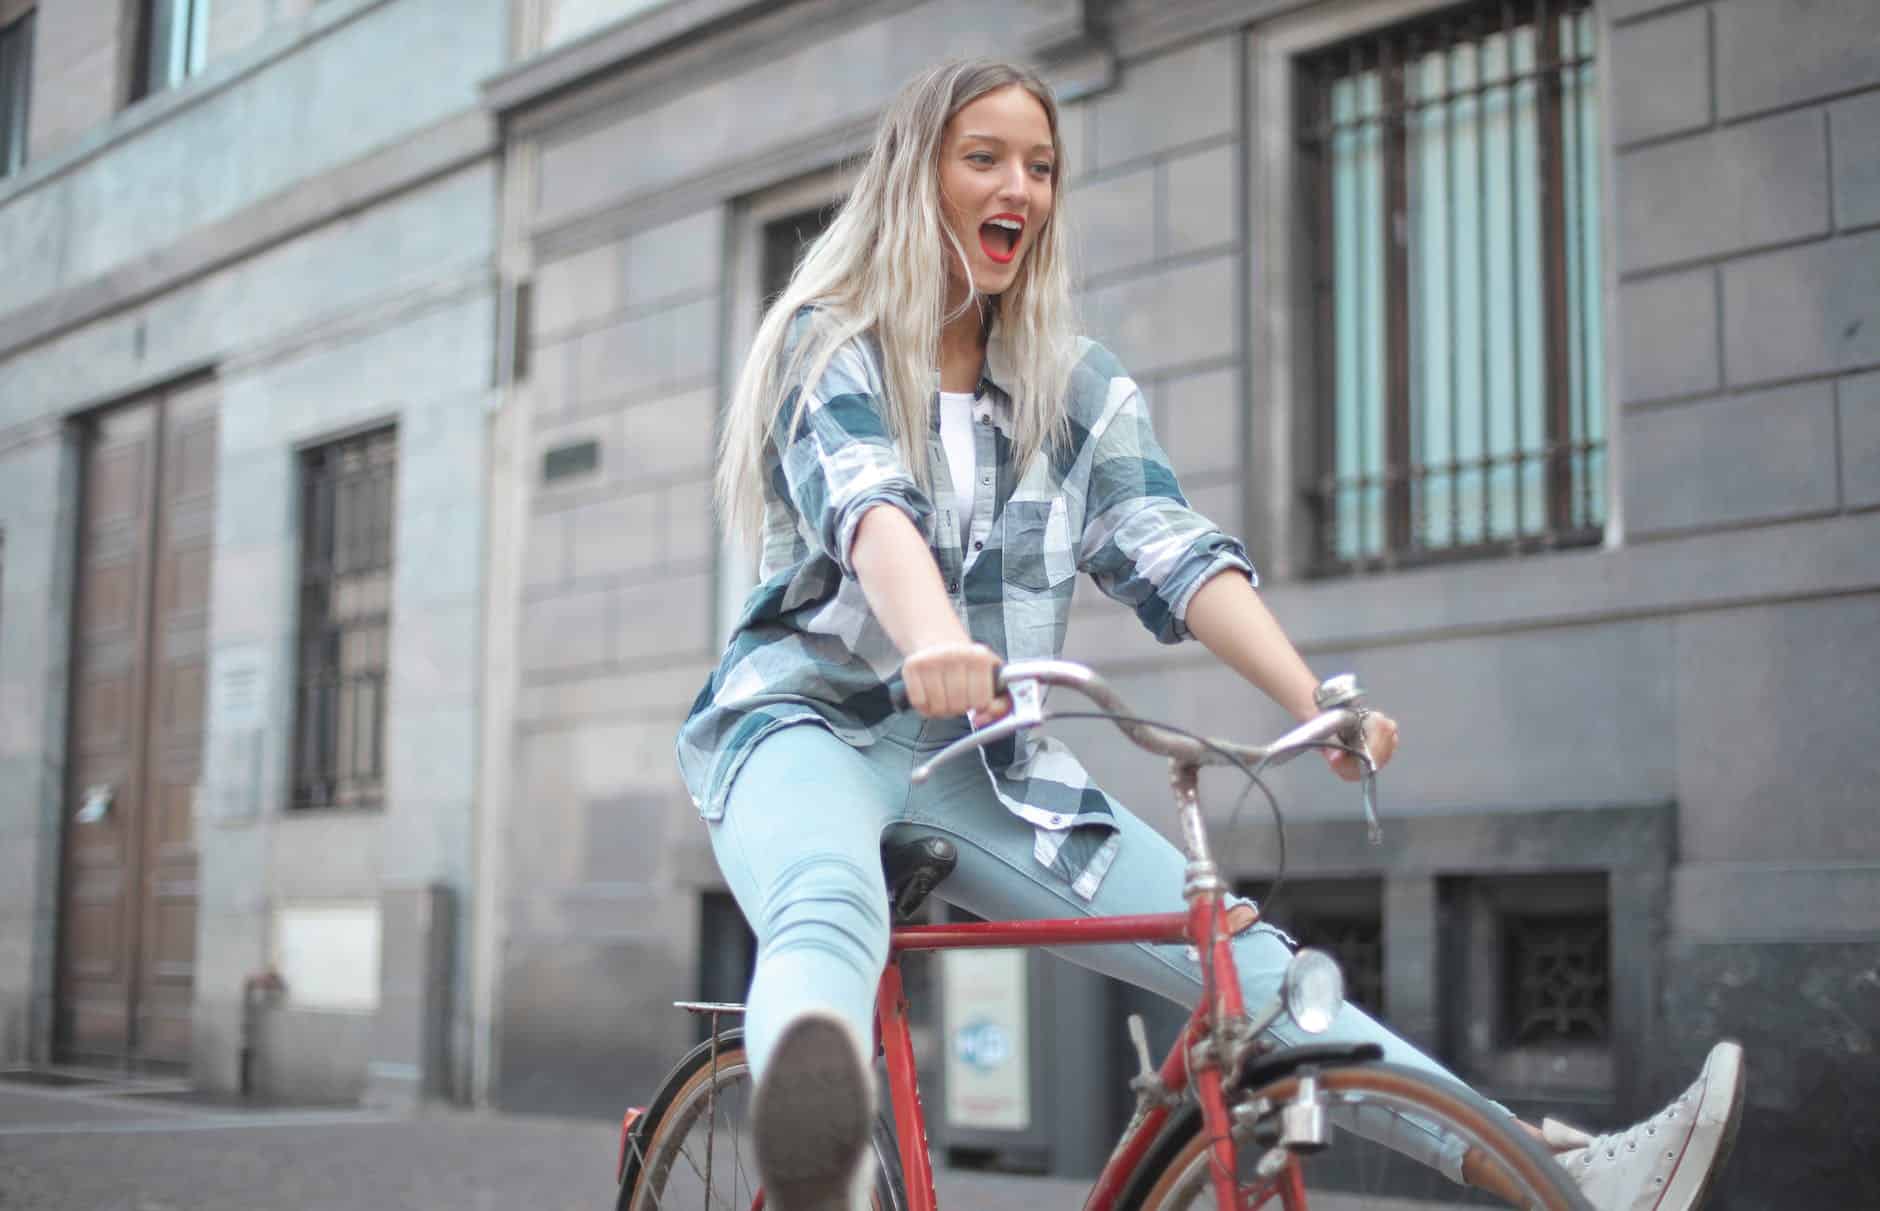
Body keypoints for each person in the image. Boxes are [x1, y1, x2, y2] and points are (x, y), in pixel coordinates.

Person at [677, 58, 1743, 1211]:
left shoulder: (1068, 385)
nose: (1019, 188)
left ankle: (1566, 1177)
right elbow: (867, 504)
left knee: (1259, 973)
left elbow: (1167, 544)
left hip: (989, 768)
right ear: (914, 179)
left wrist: (1309, 700)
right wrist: (932, 635)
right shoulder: (829, 343)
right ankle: (813, 1163)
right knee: (826, 904)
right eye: (982, 158)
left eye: (1040, 167)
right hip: (805, 724)